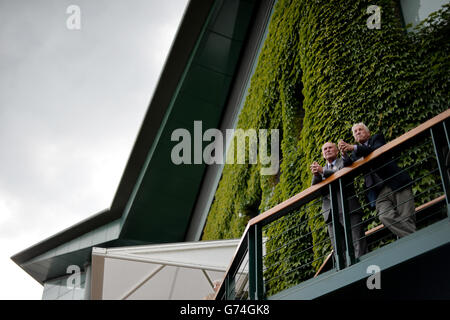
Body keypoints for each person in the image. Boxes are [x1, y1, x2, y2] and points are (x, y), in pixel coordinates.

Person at [338, 123, 416, 238]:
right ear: (354, 137)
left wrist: (353, 147)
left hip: (396, 182)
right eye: (355, 132)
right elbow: (349, 165)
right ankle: (415, 237)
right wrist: (344, 154)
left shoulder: (376, 138)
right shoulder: (355, 153)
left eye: (360, 130)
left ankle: (412, 242)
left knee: (407, 217)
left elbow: (375, 150)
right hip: (379, 192)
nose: (358, 132)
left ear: (368, 133)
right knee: (384, 216)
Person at [311, 142, 367, 259]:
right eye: (325, 149)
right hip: (330, 213)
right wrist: (316, 175)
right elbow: (316, 191)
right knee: (338, 249)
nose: (327, 150)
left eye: (330, 147)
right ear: (322, 155)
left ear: (337, 151)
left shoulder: (344, 162)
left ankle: (362, 269)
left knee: (357, 241)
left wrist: (322, 171)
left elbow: (340, 174)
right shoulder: (321, 170)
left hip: (349, 208)